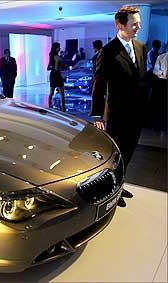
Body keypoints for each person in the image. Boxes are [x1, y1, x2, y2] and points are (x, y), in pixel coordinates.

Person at [91, 6, 148, 206]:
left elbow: (141, 79)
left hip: (138, 113)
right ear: (120, 25)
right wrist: (97, 115)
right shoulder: (107, 52)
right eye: (134, 24)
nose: (138, 27)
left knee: (129, 151)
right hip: (117, 114)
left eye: (139, 23)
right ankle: (113, 191)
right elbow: (99, 84)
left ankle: (121, 185)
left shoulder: (141, 47)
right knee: (116, 155)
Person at [152, 44, 168, 133]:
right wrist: (163, 73)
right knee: (161, 105)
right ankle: (159, 125)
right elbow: (155, 70)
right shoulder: (161, 57)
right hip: (162, 83)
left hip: (162, 82)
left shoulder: (161, 57)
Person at [48, 42, 65, 111]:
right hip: (56, 73)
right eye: (59, 47)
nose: (60, 48)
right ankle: (62, 108)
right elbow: (57, 61)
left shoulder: (52, 54)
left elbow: (49, 64)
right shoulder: (54, 54)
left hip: (54, 73)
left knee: (52, 91)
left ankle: (50, 106)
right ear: (56, 47)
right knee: (60, 92)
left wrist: (50, 67)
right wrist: (56, 68)